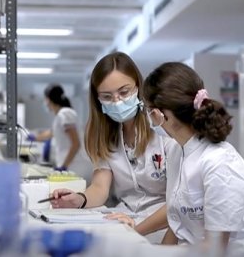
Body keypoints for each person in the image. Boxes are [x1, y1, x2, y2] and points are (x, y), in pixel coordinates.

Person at [50, 52, 181, 244]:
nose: (117, 101)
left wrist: (135, 229)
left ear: (138, 86)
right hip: (125, 218)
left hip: (163, 226)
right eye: (107, 96)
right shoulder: (106, 134)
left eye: (124, 92)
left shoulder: (163, 129)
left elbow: (179, 202)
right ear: (98, 100)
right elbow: (100, 187)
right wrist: (79, 199)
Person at [140, 62, 244, 255]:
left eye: (148, 110)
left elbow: (215, 248)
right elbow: (177, 222)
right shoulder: (176, 151)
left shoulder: (220, 163)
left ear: (158, 115)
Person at [28, 84, 93, 184]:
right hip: (72, 165)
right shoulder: (61, 115)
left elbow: (76, 144)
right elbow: (51, 133)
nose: (45, 103)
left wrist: (64, 166)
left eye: (45, 99)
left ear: (49, 99)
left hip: (76, 166)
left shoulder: (65, 114)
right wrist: (34, 137)